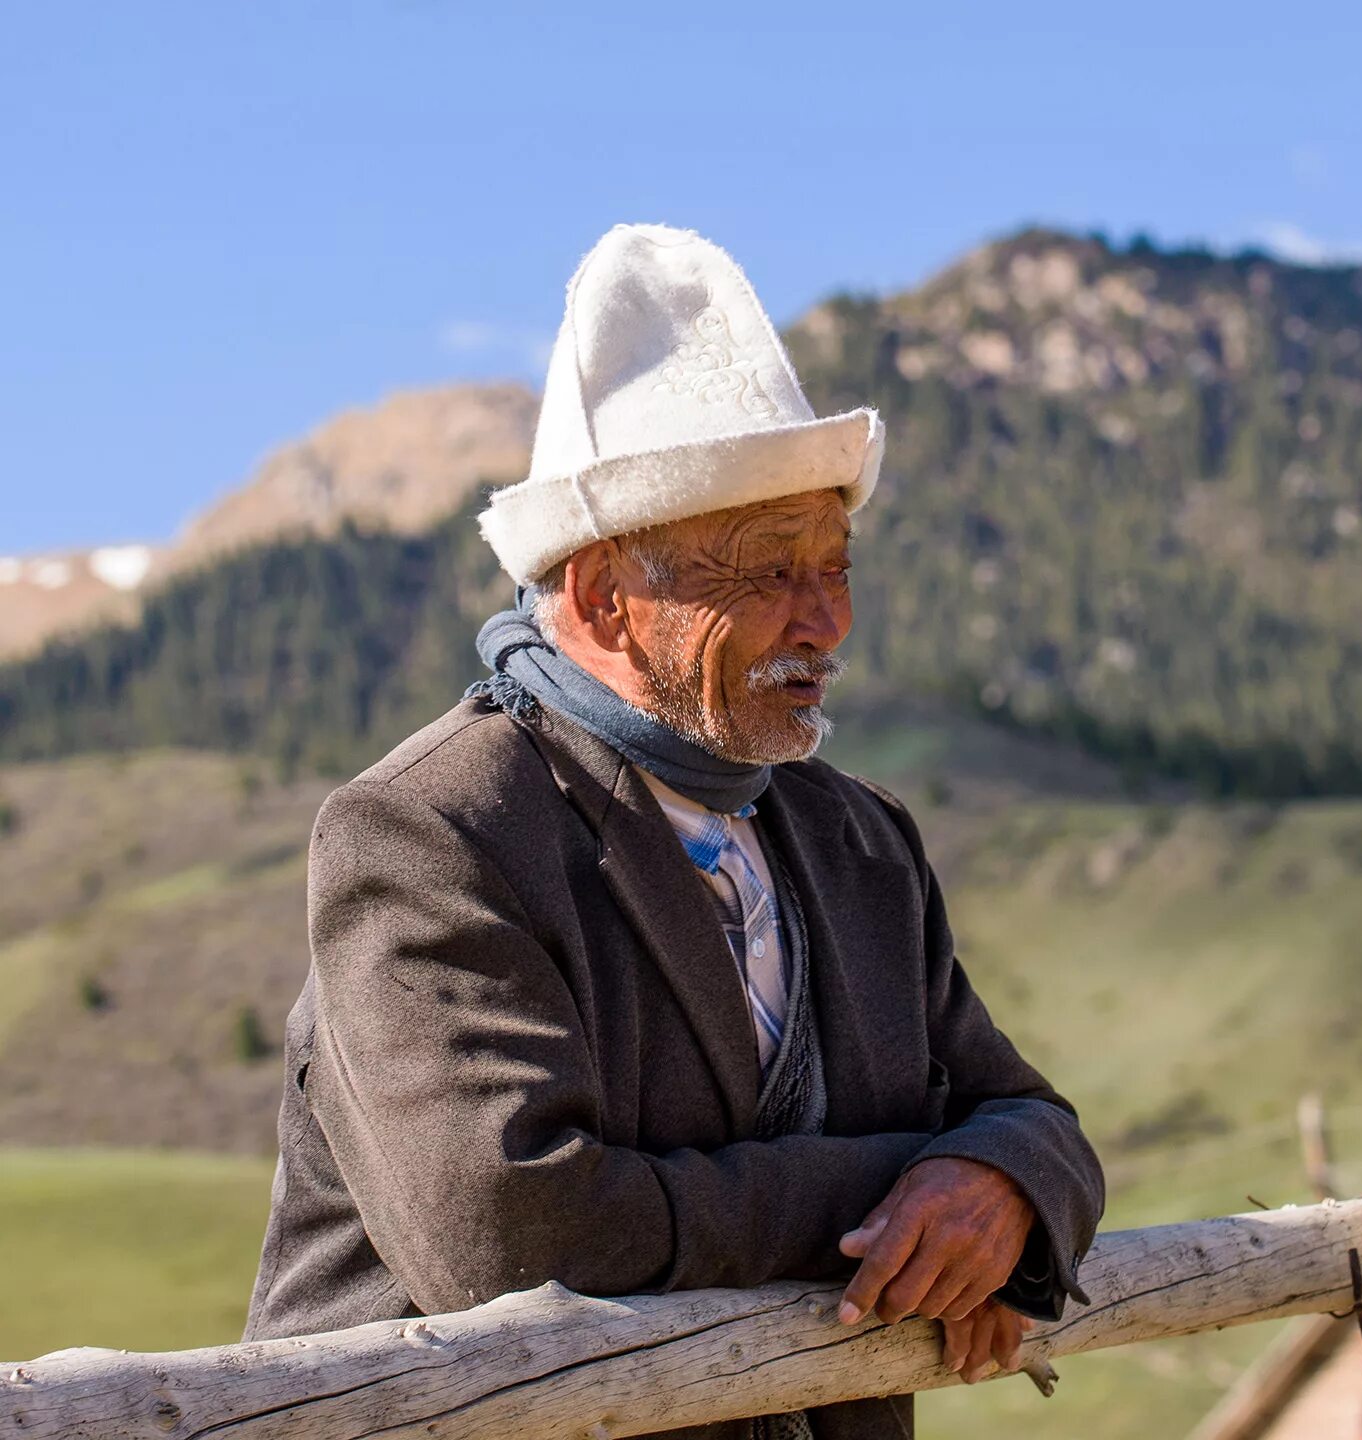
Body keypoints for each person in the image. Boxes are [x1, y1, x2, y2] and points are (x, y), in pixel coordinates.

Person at [242, 223, 1105, 1440]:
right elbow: (511, 1232)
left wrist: (1003, 1182)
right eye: (766, 574)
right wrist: (904, 1189)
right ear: (603, 595)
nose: (824, 622)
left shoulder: (860, 844)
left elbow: (1028, 1115)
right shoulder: (433, 832)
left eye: (834, 566)